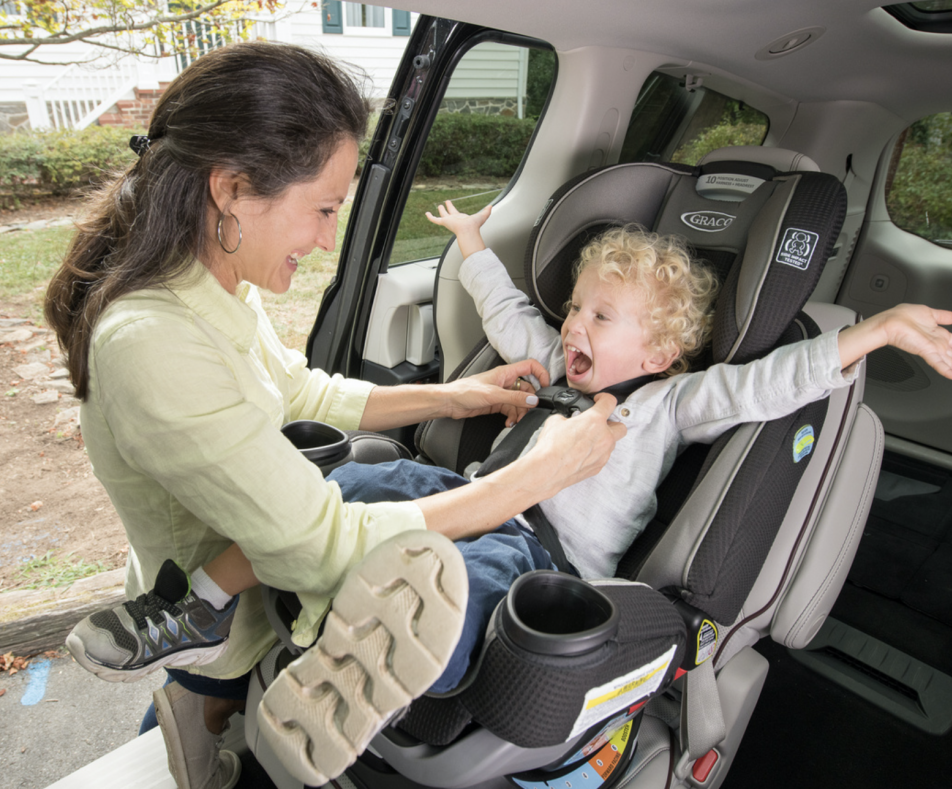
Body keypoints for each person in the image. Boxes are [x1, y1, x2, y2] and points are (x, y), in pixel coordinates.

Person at [67, 190, 952, 784]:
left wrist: (869, 335)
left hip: (537, 550)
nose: (574, 324)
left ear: (662, 349)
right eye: (578, 306)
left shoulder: (669, 401)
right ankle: (199, 606)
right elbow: (512, 309)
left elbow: (762, 384)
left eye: (604, 316)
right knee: (353, 472)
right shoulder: (557, 358)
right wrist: (473, 241)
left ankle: (367, 667)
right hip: (465, 492)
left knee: (467, 582)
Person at [46, 43, 626, 789]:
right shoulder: (152, 341)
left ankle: (193, 730)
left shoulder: (207, 276)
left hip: (252, 585)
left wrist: (459, 395)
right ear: (231, 188)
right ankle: (198, 715)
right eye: (322, 210)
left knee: (386, 483)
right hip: (234, 621)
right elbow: (316, 545)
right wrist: (537, 474)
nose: (328, 239)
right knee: (213, 710)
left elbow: (299, 393)